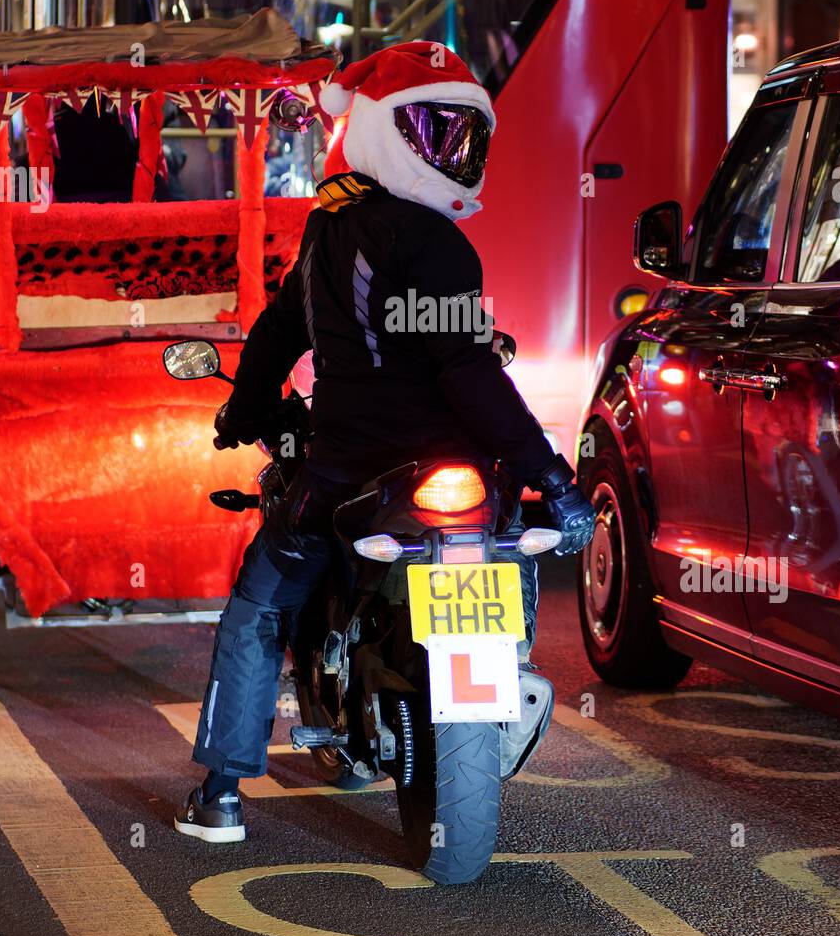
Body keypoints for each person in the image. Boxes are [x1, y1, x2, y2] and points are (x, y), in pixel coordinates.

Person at [174, 41, 596, 843]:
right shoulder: (437, 243)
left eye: (464, 137)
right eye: (433, 130)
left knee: (259, 606)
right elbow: (469, 374)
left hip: (344, 473)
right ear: (376, 127)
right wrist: (554, 477)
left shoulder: (331, 233)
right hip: (462, 472)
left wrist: (245, 410)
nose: (452, 152)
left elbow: (277, 335)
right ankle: (510, 670)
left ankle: (222, 791)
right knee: (507, 539)